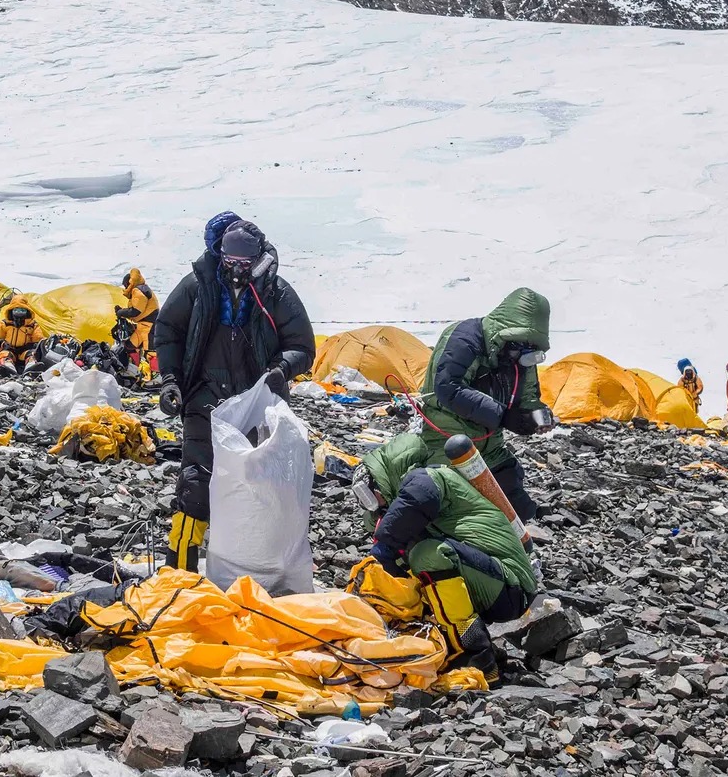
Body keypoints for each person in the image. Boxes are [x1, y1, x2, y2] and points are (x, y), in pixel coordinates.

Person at [153, 218, 315, 571]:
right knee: (195, 482)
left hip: (256, 405)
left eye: (244, 264)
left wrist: (281, 370)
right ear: (219, 254)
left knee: (257, 485)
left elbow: (303, 346)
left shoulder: (277, 293)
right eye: (230, 262)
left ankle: (254, 571)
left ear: (258, 259)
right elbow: (167, 332)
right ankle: (179, 570)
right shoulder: (198, 286)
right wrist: (170, 381)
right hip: (204, 398)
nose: (236, 270)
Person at [355, 431, 536, 685]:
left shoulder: (429, 478)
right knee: (409, 576)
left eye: (367, 493)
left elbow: (413, 505)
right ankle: (452, 647)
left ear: (385, 478)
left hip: (511, 584)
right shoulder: (408, 500)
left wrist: (381, 550)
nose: (371, 504)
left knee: (428, 555)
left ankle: (477, 658)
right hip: (489, 581)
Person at [412, 289, 553, 521]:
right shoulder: (464, 338)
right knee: (450, 507)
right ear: (505, 333)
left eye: (531, 347)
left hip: (491, 447)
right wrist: (504, 417)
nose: (525, 355)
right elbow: (449, 387)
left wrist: (536, 416)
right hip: (448, 441)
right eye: (522, 345)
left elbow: (528, 395)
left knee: (520, 509)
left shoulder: (519, 352)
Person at [0, 298, 43, 376]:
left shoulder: (33, 325)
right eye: (16, 310)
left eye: (22, 311)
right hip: (9, 350)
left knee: (32, 355)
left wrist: (29, 346)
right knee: (4, 355)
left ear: (27, 311)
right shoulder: (4, 324)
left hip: (25, 351)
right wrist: (3, 344)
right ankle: (8, 368)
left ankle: (31, 368)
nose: (19, 313)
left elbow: (39, 342)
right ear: (11, 311)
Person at [121, 268, 158, 355]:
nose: (125, 288)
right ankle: (136, 367)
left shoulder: (138, 291)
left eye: (125, 286)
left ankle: (154, 369)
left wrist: (121, 312)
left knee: (151, 352)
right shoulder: (141, 289)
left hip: (149, 326)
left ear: (129, 283)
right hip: (143, 326)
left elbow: (136, 311)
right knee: (130, 346)